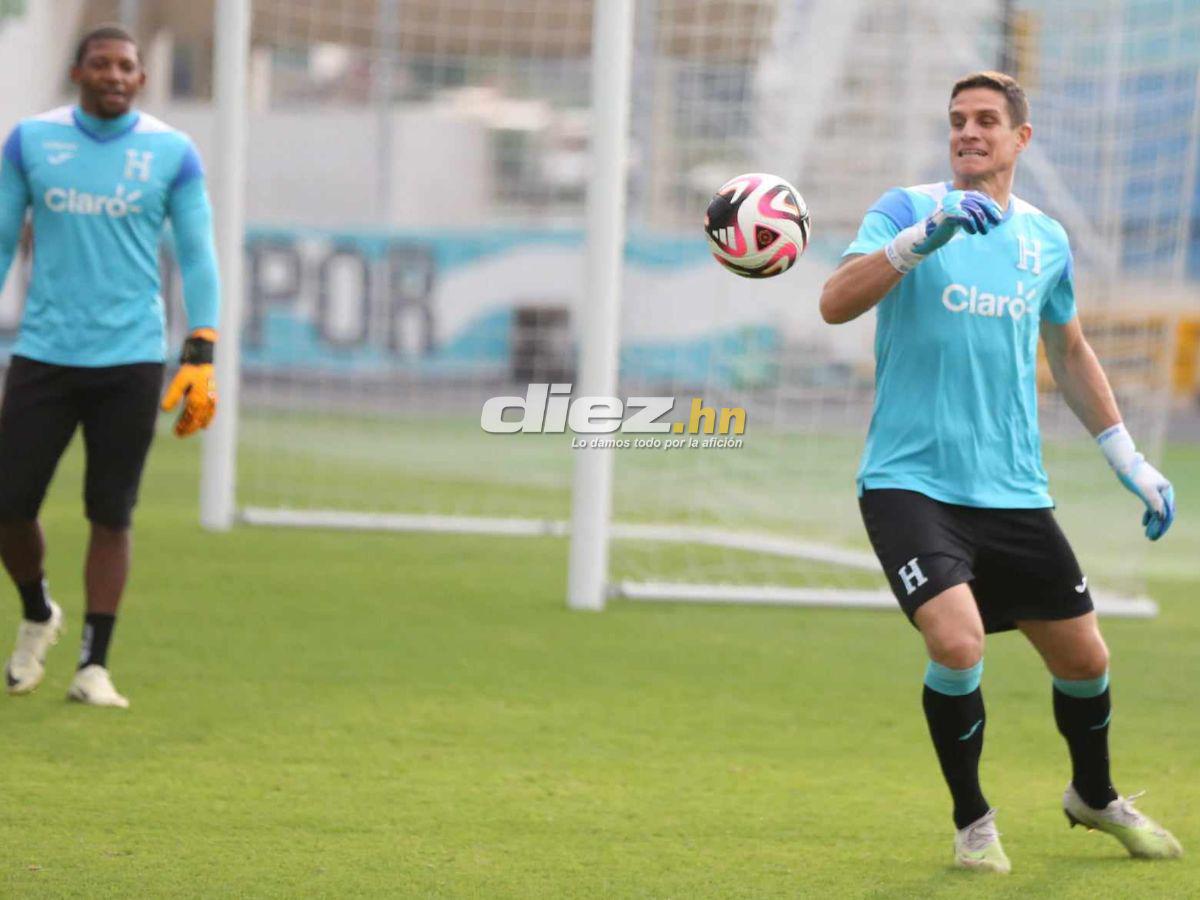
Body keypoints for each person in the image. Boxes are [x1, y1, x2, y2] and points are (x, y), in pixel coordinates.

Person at [819, 70, 1181, 872]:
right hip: (909, 483)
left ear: (1022, 139)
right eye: (957, 120)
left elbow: (1070, 349)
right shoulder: (908, 208)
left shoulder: (1045, 239)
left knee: (1086, 662)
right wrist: (922, 239)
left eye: (986, 120)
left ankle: (1092, 795)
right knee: (957, 642)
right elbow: (836, 301)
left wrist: (1130, 458)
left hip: (1012, 490)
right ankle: (973, 822)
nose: (968, 132)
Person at [0, 24, 219, 708]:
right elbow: (3, 238)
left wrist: (201, 351)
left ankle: (95, 664)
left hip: (130, 359)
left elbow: (197, 254)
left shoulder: (171, 152)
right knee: (8, 506)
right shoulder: (30, 142)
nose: (116, 75)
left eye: (127, 65)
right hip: (43, 354)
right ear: (78, 71)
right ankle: (39, 611)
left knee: (111, 514)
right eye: (102, 64)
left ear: (142, 78)